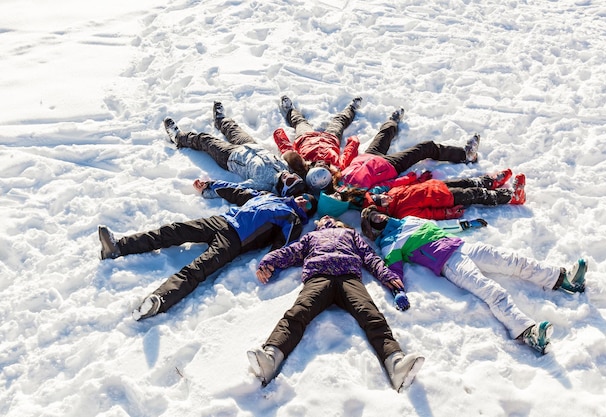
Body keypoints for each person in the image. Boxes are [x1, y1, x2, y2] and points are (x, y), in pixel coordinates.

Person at [360, 206, 588, 354]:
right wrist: (398, 291)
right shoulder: (389, 242)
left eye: (375, 213)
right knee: (492, 291)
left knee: (513, 260)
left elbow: (440, 226)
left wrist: (466, 225)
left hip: (463, 246)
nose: (377, 216)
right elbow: (393, 270)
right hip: (449, 263)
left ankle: (562, 279)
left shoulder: (409, 220)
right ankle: (528, 332)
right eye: (372, 219)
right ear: (373, 229)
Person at [247, 215, 425, 392]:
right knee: (298, 312)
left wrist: (385, 275)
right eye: (323, 219)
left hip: (349, 278)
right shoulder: (311, 237)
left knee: (370, 313)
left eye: (329, 217)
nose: (326, 219)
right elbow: (291, 252)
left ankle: (395, 362)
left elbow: (369, 256)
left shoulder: (350, 234)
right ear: (318, 225)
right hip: (318, 277)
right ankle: (271, 357)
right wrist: (269, 260)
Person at [98, 182, 318, 321]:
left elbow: (282, 245)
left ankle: (159, 300)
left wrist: (270, 264)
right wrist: (210, 185)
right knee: (173, 231)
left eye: (308, 204)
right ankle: (118, 246)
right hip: (220, 221)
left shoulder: (293, 220)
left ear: (308, 212)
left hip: (235, 241)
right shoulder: (267, 196)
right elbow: (238, 191)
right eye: (304, 197)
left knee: (198, 269)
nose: (303, 201)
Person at [277, 95, 481, 193]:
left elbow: (347, 156)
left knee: (382, 132)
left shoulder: (335, 169)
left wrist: (353, 144)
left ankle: (391, 120)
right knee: (425, 148)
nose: (324, 165)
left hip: (365, 154)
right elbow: (385, 186)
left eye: (323, 167)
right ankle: (465, 154)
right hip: (388, 165)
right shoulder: (346, 184)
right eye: (325, 170)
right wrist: (410, 178)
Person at [163, 101, 307, 197]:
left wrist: (208, 190)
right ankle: (220, 119)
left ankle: (178, 138)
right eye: (294, 177)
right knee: (233, 128)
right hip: (251, 145)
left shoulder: (263, 185)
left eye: (289, 182)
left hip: (230, 157)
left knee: (205, 140)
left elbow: (235, 189)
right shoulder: (286, 169)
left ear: (282, 188)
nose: (289, 176)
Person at [316, 168, 526, 219]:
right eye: (384, 201)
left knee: (466, 181)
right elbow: (428, 214)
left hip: (435, 185)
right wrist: (447, 214)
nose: (386, 197)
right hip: (444, 198)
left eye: (382, 196)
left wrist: (419, 180)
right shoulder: (403, 211)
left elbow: (402, 187)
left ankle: (490, 181)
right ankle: (510, 197)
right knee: (473, 193)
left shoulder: (386, 194)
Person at [273, 96, 362, 184]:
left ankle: (290, 110)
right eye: (325, 167)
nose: (322, 164)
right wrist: (354, 141)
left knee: (299, 121)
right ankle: (351, 108)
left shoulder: (301, 164)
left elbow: (288, 151)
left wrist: (279, 136)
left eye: (319, 166)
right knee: (339, 122)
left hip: (306, 137)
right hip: (330, 139)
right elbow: (348, 154)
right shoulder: (337, 167)